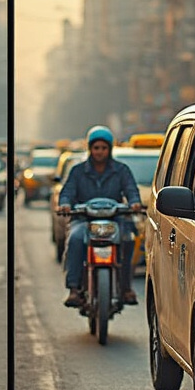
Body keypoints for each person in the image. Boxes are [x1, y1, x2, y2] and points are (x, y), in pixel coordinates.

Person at [56, 125, 143, 308]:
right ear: (90, 149)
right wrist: (65, 204)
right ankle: (73, 289)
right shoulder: (77, 171)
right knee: (75, 239)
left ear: (109, 149)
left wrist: (134, 202)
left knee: (128, 240)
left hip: (115, 219)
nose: (100, 152)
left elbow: (131, 190)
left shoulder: (121, 170)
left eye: (103, 148)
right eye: (96, 148)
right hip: (83, 219)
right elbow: (67, 192)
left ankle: (126, 287)